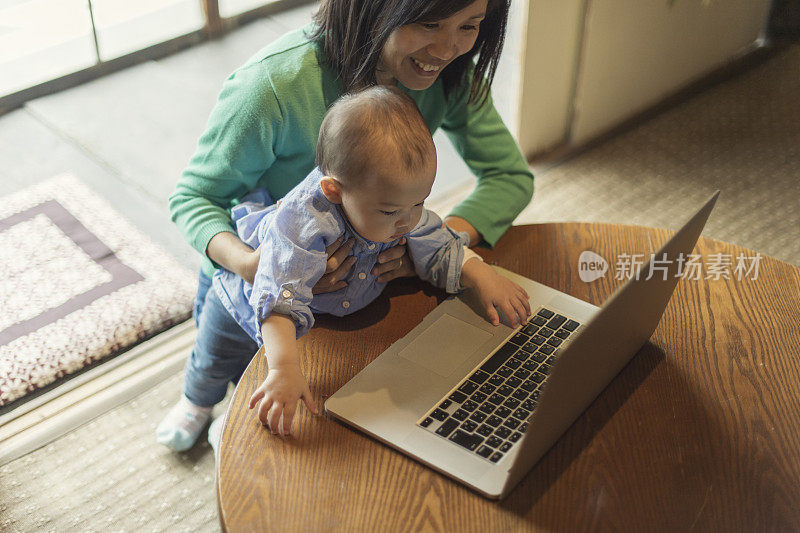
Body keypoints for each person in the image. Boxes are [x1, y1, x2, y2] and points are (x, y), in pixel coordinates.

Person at [159, 0, 534, 451]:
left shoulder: (450, 74)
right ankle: (197, 405)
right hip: (247, 286)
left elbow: (509, 177)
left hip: (345, 297)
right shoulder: (273, 86)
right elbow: (193, 198)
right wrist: (250, 265)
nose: (449, 47)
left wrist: (419, 246)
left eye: (470, 25)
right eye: (429, 23)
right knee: (224, 364)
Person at [209, 86, 531, 438]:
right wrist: (284, 368)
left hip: (331, 320)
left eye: (420, 202)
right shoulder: (304, 223)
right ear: (335, 191)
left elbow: (441, 245)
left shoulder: (399, 204)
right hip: (244, 301)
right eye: (391, 211)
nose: (408, 221)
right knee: (214, 360)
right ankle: (196, 405)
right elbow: (280, 299)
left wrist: (481, 274)